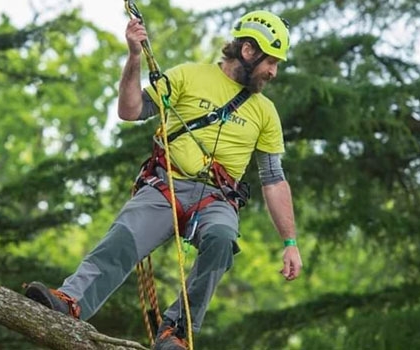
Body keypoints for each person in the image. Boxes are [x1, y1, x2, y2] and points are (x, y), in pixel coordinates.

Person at [25, 10, 303, 350]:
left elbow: (273, 179)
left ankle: (176, 333)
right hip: (166, 186)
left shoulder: (265, 112)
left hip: (217, 199)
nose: (273, 72)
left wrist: (289, 243)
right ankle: (70, 301)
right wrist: (133, 57)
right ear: (248, 51)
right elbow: (130, 110)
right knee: (123, 237)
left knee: (222, 238)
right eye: (271, 62)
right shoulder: (188, 75)